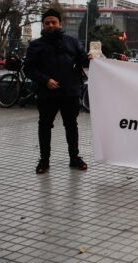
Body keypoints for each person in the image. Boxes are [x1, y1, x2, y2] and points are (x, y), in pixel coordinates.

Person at [23, 9, 91, 174]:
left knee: (71, 125)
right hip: (47, 93)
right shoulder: (35, 45)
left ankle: (74, 158)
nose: (51, 25)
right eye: (47, 23)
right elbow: (28, 69)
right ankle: (44, 160)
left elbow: (83, 60)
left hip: (70, 91)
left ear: (60, 24)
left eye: (54, 22)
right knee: (45, 126)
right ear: (43, 25)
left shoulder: (72, 42)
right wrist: (45, 80)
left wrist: (91, 57)